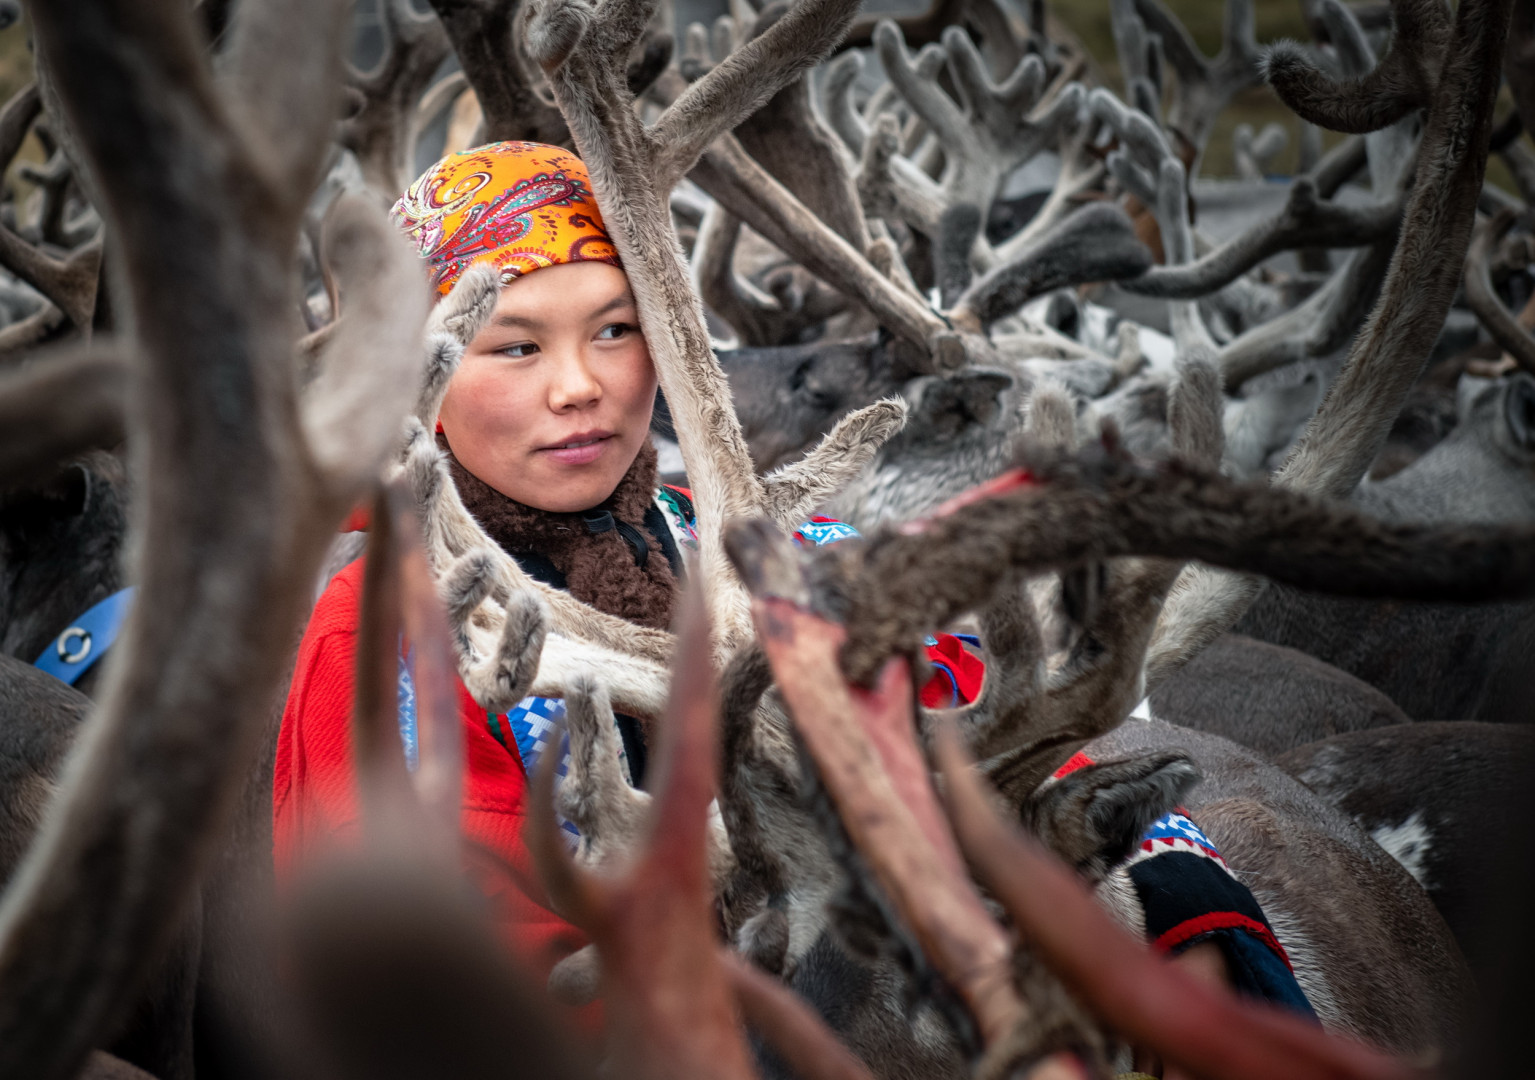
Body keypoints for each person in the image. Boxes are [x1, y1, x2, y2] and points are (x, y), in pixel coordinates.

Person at [273, 141, 1312, 1031]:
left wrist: (1171, 894)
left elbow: (991, 744)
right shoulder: (371, 647)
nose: (578, 384)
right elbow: (432, 979)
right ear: (420, 377)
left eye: (616, 328)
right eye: (513, 345)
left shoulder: (774, 556)